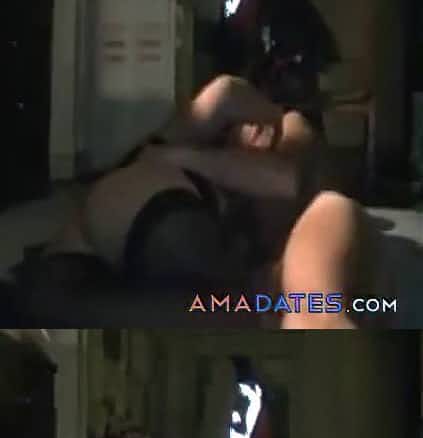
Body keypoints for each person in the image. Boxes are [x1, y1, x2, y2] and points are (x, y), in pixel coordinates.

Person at [18, 75, 382, 329]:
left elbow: (286, 179)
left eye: (274, 140)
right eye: (260, 129)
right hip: (91, 263)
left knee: (257, 307)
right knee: (258, 307)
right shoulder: (189, 133)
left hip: (123, 255)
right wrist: (276, 116)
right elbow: (228, 94)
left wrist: (180, 157)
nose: (264, 135)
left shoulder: (206, 167)